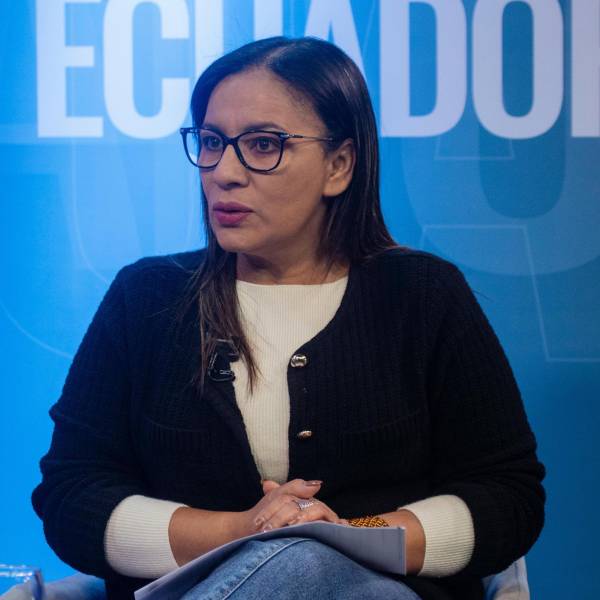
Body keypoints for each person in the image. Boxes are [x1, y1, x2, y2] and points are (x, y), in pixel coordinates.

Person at [32, 37, 545, 600]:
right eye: (211, 142)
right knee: (294, 562)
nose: (224, 172)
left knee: (318, 567)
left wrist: (343, 537)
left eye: (263, 145)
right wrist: (244, 532)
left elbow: (507, 496)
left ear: (339, 166)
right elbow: (72, 497)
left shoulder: (423, 296)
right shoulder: (147, 298)